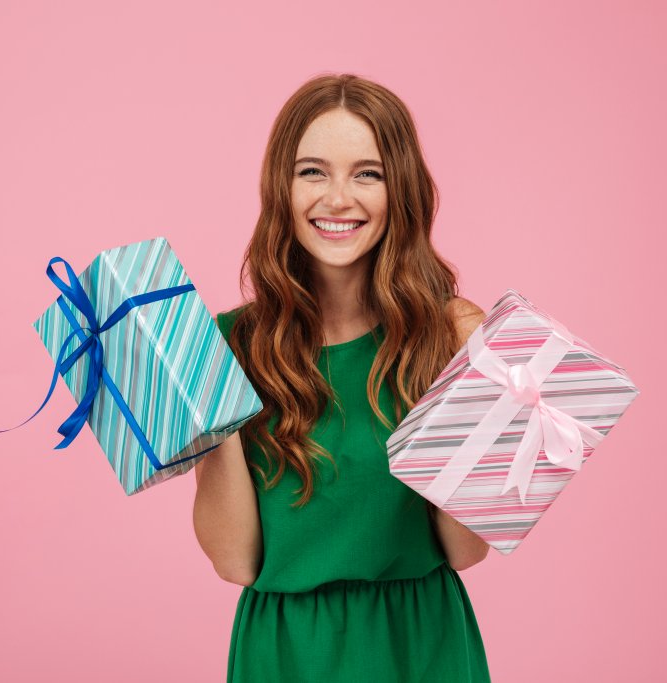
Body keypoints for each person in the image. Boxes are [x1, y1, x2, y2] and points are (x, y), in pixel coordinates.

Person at [193, 73, 492, 682]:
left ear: (400, 189)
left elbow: (467, 549)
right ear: (281, 186)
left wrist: (482, 395)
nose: (338, 198)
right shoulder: (224, 345)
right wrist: (211, 398)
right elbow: (235, 561)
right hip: (284, 653)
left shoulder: (457, 333)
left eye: (367, 173)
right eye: (312, 171)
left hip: (420, 646)